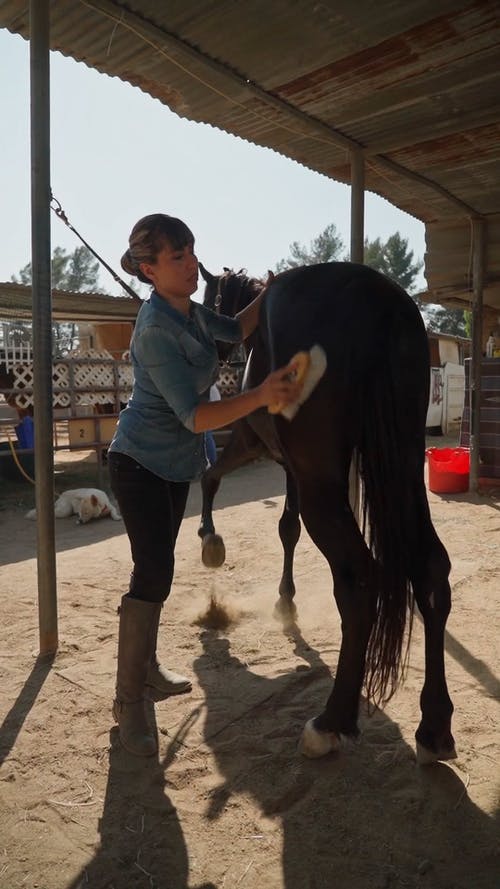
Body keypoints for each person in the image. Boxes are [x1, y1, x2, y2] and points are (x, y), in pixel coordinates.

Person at [107, 213, 302, 756]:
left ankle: (145, 672)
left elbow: (237, 329)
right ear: (149, 269)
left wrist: (271, 291)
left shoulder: (192, 313)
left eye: (193, 252)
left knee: (160, 570)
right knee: (151, 574)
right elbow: (195, 417)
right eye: (178, 258)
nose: (193, 265)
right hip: (139, 464)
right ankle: (130, 704)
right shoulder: (152, 331)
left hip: (173, 466)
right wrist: (261, 394)